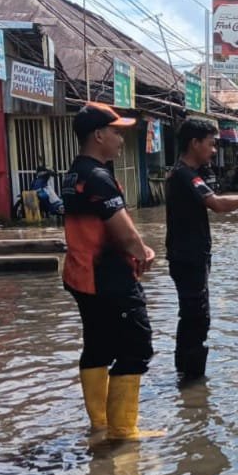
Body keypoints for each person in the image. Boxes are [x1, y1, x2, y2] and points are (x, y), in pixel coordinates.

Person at [61, 102, 159, 440]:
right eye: (116, 132)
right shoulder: (98, 177)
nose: (120, 139)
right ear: (98, 135)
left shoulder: (74, 174)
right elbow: (121, 229)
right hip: (106, 277)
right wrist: (143, 252)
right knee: (137, 346)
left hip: (80, 275)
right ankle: (122, 433)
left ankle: (100, 425)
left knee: (98, 347)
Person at [166, 118, 238, 383]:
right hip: (188, 258)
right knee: (197, 318)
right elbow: (217, 204)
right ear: (194, 144)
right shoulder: (185, 175)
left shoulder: (185, 173)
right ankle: (192, 384)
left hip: (187, 256)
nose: (214, 150)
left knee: (190, 317)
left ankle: (186, 383)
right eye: (210, 144)